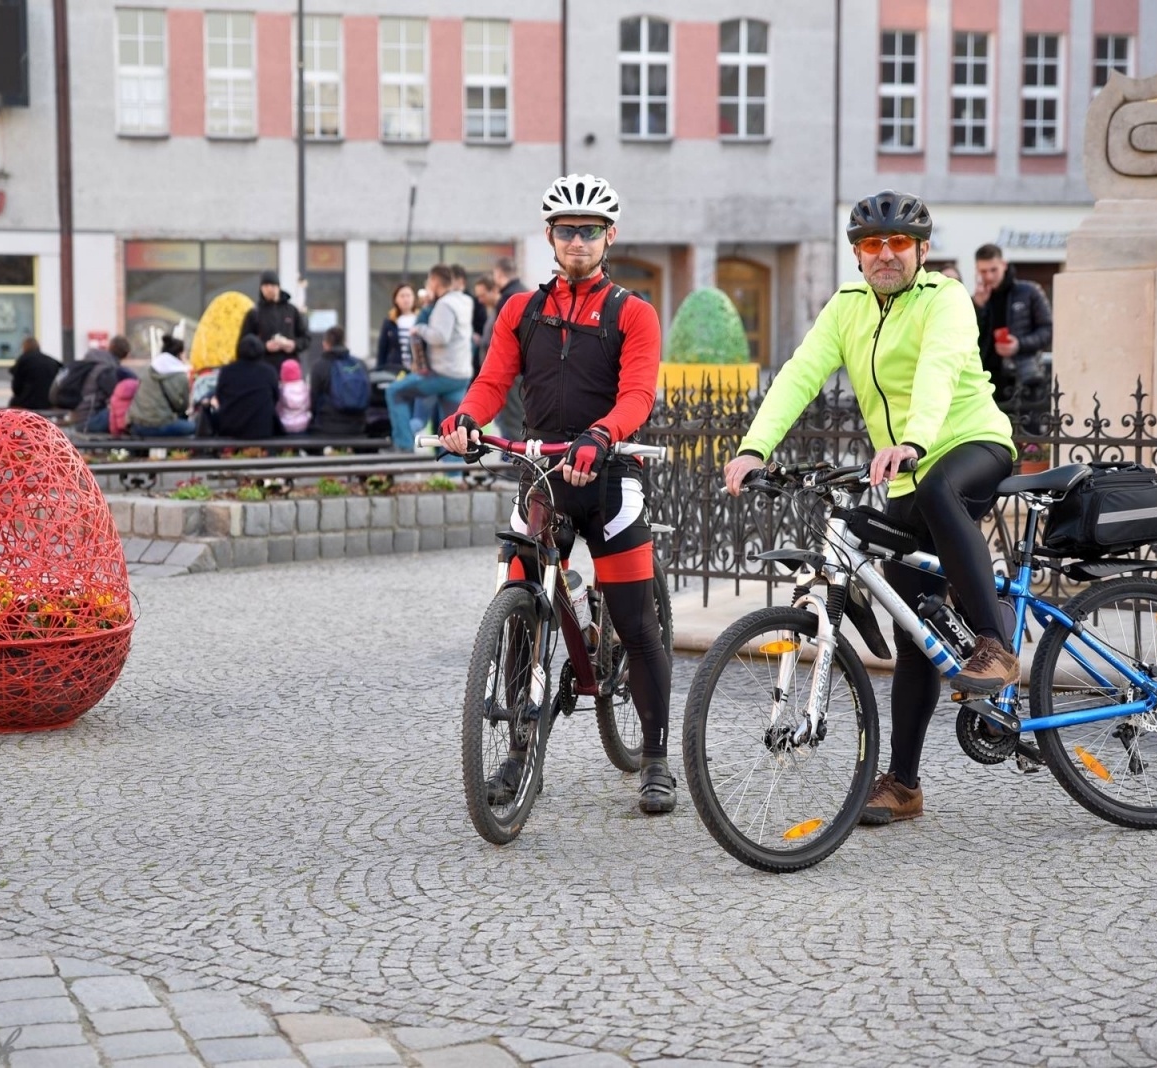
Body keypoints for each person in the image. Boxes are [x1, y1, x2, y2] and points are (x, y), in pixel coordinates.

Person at [722, 190, 1019, 827]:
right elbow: (801, 375)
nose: (884, 255)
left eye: (897, 243)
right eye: (871, 245)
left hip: (969, 445)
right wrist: (754, 447)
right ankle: (905, 786)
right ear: (857, 254)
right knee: (912, 626)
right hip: (909, 472)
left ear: (921, 250)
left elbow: (939, 369)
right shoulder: (848, 308)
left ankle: (994, 644)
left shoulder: (945, 300)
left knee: (940, 488)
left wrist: (913, 439)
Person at [438, 173, 674, 815]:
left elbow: (638, 395)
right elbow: (492, 383)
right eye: (566, 230)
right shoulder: (522, 310)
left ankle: (655, 756)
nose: (577, 240)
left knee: (634, 620)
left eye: (589, 230)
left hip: (609, 475)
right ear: (549, 236)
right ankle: (519, 752)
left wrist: (602, 434)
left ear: (609, 237)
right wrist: (466, 419)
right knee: (519, 602)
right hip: (542, 470)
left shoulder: (634, 313)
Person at [388, 265, 473, 451]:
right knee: (451, 428)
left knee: (395, 391)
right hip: (460, 374)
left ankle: (403, 448)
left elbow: (440, 336)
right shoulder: (464, 300)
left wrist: (419, 329)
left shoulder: (444, 304)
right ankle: (454, 474)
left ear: (434, 282)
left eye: (428, 281)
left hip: (442, 374)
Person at [973, 243, 1053, 435]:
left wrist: (1019, 345)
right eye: (983, 271)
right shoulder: (976, 298)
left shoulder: (1029, 291)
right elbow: (968, 337)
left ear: (1004, 265)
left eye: (994, 269)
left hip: (1024, 379)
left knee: (1030, 439)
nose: (989, 276)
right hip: (987, 382)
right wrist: (978, 307)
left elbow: (1048, 330)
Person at [239, 270, 310, 376]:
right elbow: (244, 344)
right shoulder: (254, 313)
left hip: (289, 369)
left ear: (278, 287)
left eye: (272, 285)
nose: (269, 289)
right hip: (263, 369)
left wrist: (294, 345)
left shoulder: (291, 311)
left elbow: (306, 338)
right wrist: (264, 347)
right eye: (265, 285)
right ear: (261, 288)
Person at [490, 257, 528, 440]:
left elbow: (503, 340)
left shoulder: (508, 299)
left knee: (512, 422)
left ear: (499, 274)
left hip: (512, 372)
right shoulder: (526, 294)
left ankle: (513, 467)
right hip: (524, 371)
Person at [214, 335, 280, 440]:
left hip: (230, 428)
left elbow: (219, 396)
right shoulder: (269, 371)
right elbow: (276, 397)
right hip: (262, 429)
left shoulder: (227, 371)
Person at [127, 335, 196, 436]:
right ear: (179, 354)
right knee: (195, 428)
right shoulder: (180, 375)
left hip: (137, 424)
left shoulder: (148, 369)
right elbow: (182, 406)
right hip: (160, 425)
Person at [309, 326, 371, 438]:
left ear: (325, 344)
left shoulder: (319, 366)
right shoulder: (360, 364)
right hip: (358, 427)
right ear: (345, 342)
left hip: (327, 427)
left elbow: (314, 400)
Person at [74, 335, 130, 433]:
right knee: (129, 416)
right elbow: (115, 394)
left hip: (80, 416)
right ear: (125, 354)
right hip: (90, 420)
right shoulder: (106, 370)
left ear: (110, 346)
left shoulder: (92, 363)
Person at [8, 336, 60, 411]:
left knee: (12, 407)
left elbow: (16, 388)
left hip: (28, 402)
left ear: (24, 347)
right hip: (49, 402)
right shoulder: (51, 361)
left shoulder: (23, 360)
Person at [375, 283, 418, 372]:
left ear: (413, 298)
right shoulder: (390, 321)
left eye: (408, 295)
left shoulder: (420, 320)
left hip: (416, 370)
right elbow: (382, 349)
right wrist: (379, 371)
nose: (406, 299)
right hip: (394, 369)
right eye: (402, 296)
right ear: (395, 299)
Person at [470, 275, 497, 376]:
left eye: (482, 295)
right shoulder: (492, 310)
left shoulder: (501, 311)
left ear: (493, 291)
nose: (480, 300)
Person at [277, 359, 312, 434]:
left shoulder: (281, 389)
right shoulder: (305, 388)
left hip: (284, 425)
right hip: (304, 424)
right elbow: (309, 405)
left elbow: (278, 408)